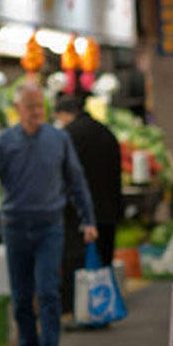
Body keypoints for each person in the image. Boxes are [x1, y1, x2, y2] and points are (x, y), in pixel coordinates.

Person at [0, 82, 97, 346]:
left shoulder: (58, 139)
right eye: (30, 108)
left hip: (50, 225)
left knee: (49, 290)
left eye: (40, 107)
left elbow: (76, 181)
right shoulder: (3, 142)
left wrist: (87, 219)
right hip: (15, 226)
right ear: (18, 109)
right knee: (22, 296)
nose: (36, 113)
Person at [54, 96, 122, 316]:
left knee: (76, 261)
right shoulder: (106, 132)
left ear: (64, 114)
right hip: (109, 208)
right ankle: (103, 309)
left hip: (79, 212)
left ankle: (78, 310)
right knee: (103, 261)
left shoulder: (68, 135)